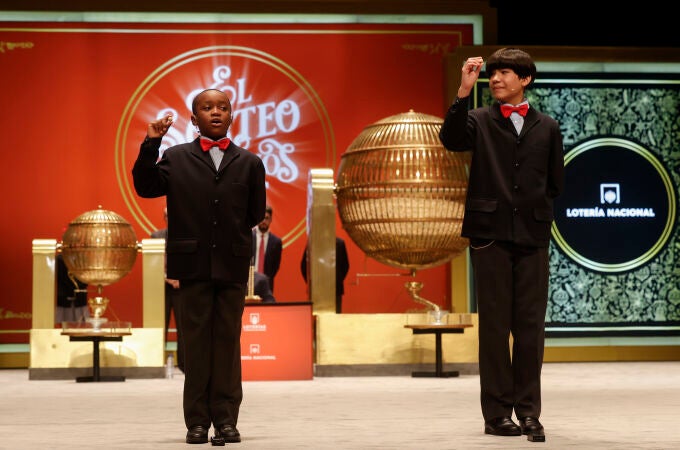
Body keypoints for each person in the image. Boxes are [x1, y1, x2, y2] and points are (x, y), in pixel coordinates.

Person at [438, 48, 564, 443]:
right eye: (491, 74)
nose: (495, 80)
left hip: (532, 235)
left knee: (530, 330)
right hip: (488, 235)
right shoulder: (477, 119)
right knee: (494, 328)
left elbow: (555, 182)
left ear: (525, 79)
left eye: (504, 73)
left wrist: (535, 208)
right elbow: (451, 139)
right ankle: (496, 414)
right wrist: (463, 90)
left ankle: (529, 413)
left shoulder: (548, 126)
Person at [132, 88, 266, 445]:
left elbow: (254, 214)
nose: (216, 112)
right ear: (194, 119)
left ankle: (225, 420)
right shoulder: (174, 157)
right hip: (190, 266)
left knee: (227, 344)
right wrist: (151, 143)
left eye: (223, 107)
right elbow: (145, 187)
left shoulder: (250, 163)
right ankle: (196, 422)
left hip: (232, 266)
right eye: (207, 108)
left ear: (232, 116)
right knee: (195, 346)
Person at [151, 206, 184, 373]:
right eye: (167, 216)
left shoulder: (186, 234)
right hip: (162, 287)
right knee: (160, 324)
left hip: (182, 286)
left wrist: (180, 279)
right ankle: (157, 361)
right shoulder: (156, 236)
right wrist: (168, 278)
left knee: (183, 325)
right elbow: (152, 264)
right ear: (164, 218)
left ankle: (183, 363)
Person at [300, 237, 350, 313]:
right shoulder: (313, 243)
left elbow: (345, 266)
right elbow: (305, 266)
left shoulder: (340, 243)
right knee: (321, 316)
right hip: (323, 287)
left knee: (330, 317)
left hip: (329, 288)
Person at [251, 205, 282, 292]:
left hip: (267, 285)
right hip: (248, 283)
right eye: (261, 218)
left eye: (266, 218)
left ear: (271, 220)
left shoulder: (276, 242)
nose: (264, 221)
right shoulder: (248, 237)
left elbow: (275, 267)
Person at [55, 253, 88, 324]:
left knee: (82, 326)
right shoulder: (59, 259)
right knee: (64, 326)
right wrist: (75, 287)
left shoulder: (83, 258)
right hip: (64, 299)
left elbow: (87, 276)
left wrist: (79, 287)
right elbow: (62, 278)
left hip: (80, 299)